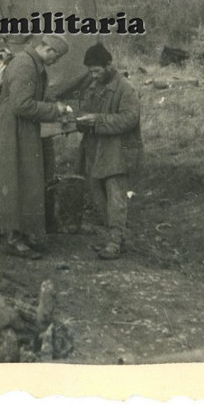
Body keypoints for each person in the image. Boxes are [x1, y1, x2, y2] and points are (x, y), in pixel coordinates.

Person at [0, 33, 74, 259]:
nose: (56, 61)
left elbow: (34, 97)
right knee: (13, 181)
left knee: (26, 180)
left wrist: (55, 105)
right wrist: (56, 111)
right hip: (10, 129)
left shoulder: (33, 64)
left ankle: (23, 234)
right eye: (57, 56)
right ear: (49, 50)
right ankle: (12, 239)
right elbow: (22, 105)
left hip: (20, 129)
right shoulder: (25, 65)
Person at [75, 42, 143, 260]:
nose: (93, 76)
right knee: (98, 196)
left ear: (108, 65)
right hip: (96, 151)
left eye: (96, 71)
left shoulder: (126, 88)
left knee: (116, 199)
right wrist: (80, 121)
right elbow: (86, 111)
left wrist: (97, 121)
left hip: (118, 152)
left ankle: (115, 242)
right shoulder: (95, 87)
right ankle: (114, 239)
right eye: (90, 71)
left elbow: (129, 119)